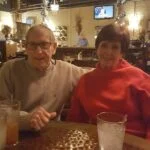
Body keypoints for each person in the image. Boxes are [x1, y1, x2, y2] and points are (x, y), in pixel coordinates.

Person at [67, 24, 150, 139]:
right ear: (97, 49)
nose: (108, 52)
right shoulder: (85, 81)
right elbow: (75, 120)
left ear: (122, 53)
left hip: (134, 142)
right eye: (104, 46)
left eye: (115, 47)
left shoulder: (140, 79)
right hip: (97, 141)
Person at [0, 24, 88, 131]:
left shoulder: (68, 71)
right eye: (32, 45)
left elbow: (96, 77)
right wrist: (26, 119)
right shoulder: (9, 69)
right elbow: (2, 110)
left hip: (53, 132)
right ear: (25, 47)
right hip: (16, 133)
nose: (38, 51)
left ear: (54, 48)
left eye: (44, 45)